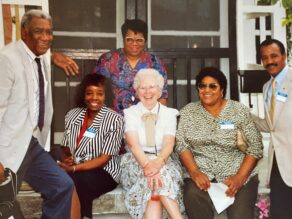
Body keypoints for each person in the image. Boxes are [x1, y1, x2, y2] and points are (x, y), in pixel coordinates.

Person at [0, 9, 80, 219]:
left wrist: (54, 57)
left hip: (31, 144)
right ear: (24, 32)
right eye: (38, 31)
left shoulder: (42, 56)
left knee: (62, 186)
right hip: (6, 147)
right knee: (4, 205)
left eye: (49, 32)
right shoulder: (6, 60)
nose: (46, 37)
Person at [176, 67, 263, 219]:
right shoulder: (188, 112)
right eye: (202, 86)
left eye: (212, 86)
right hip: (202, 173)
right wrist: (195, 172)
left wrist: (240, 177)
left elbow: (255, 146)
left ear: (222, 90)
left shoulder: (239, 111)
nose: (206, 90)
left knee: (240, 215)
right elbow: (181, 144)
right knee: (192, 195)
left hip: (237, 172)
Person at [120, 68, 184, 219]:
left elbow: (169, 144)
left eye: (152, 87)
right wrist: (149, 167)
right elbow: (134, 145)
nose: (147, 92)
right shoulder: (130, 113)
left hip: (164, 160)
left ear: (160, 90)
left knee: (156, 187)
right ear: (137, 91)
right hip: (136, 162)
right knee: (158, 178)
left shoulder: (170, 113)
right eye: (142, 88)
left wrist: (157, 163)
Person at [58, 74, 124, 219]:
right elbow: (65, 146)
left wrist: (74, 168)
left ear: (106, 96)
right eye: (89, 93)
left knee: (77, 181)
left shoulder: (114, 119)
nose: (94, 98)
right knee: (61, 181)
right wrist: (67, 158)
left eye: (99, 93)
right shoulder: (72, 115)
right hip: (76, 167)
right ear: (83, 95)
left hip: (105, 171)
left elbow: (104, 159)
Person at [93, 19, 168, 114]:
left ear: (145, 41)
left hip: (145, 119)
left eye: (139, 40)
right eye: (129, 39)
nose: (134, 44)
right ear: (123, 39)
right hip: (112, 119)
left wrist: (155, 121)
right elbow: (96, 92)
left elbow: (162, 98)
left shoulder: (155, 63)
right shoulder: (107, 60)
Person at [253, 39, 292, 219]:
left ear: (285, 56)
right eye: (265, 58)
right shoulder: (267, 87)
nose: (269, 61)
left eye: (274, 56)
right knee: (280, 212)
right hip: (277, 163)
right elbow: (271, 126)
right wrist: (242, 116)